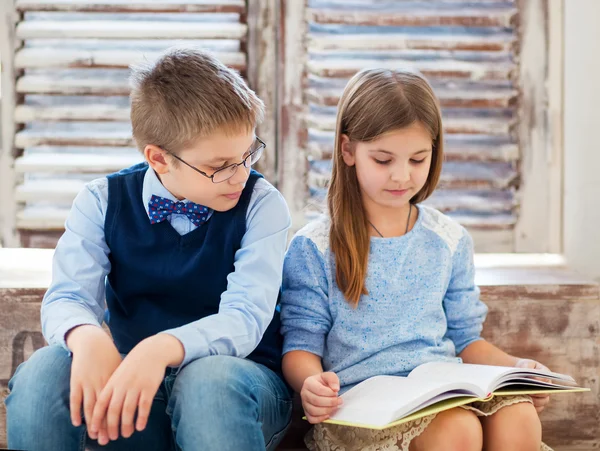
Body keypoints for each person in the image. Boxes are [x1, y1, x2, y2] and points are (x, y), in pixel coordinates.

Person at [6, 48, 292, 451]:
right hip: (137, 390)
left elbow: (244, 317)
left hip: (237, 388)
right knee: (44, 369)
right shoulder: (101, 201)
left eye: (249, 154)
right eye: (221, 164)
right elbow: (68, 296)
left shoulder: (262, 205)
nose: (241, 175)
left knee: (207, 383)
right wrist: (86, 336)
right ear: (159, 158)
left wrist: (160, 348)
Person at [280, 68, 552, 451]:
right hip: (363, 406)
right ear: (347, 150)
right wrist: (310, 383)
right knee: (458, 431)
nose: (401, 176)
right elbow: (300, 344)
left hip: (441, 390)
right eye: (384, 159)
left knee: (519, 416)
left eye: (417, 159)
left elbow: (466, 339)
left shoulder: (448, 240)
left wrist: (517, 370)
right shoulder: (316, 247)